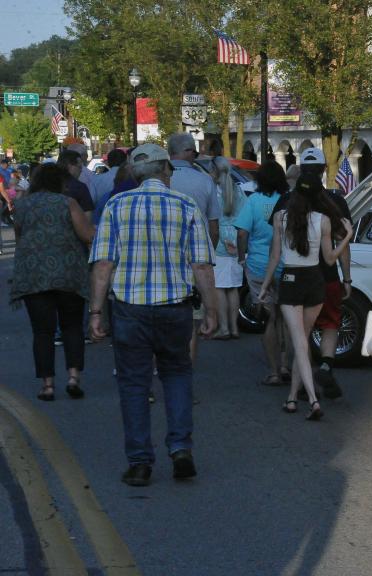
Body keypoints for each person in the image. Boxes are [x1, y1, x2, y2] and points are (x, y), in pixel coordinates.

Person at [88, 143, 217, 487]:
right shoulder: (186, 206)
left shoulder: (116, 206)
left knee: (133, 384)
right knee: (177, 375)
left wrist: (96, 311)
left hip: (130, 310)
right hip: (175, 308)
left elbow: (104, 264)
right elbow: (201, 265)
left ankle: (140, 462)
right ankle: (180, 449)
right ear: (165, 170)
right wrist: (212, 310)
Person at [260, 174, 352, 420]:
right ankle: (292, 397)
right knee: (304, 339)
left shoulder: (281, 218)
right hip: (315, 282)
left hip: (291, 282)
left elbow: (275, 256)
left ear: (295, 193)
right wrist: (348, 237)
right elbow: (330, 258)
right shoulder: (323, 220)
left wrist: (264, 285)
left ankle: (312, 400)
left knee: (300, 342)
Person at [9, 164, 94, 401]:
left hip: (34, 275)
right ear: (59, 182)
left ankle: (47, 385)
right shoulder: (68, 203)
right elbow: (86, 235)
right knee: (72, 326)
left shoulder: (23, 205)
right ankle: (73, 377)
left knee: (42, 331)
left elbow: (20, 236)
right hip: (68, 273)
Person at [167, 133, 221, 366]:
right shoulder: (204, 180)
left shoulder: (160, 179)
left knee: (157, 323)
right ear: (188, 152)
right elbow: (213, 226)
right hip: (192, 259)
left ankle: (153, 377)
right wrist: (209, 254)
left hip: (161, 258)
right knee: (190, 321)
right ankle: (183, 374)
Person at [236, 160, 291, 386]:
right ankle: (287, 364)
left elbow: (242, 234)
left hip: (259, 265)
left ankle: (274, 371)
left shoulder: (253, 202)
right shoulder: (288, 200)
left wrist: (242, 258)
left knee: (269, 317)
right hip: (287, 265)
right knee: (288, 319)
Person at [211, 156, 245, 339]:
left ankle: (224, 328)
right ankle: (234, 327)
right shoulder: (237, 190)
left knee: (219, 288)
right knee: (233, 289)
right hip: (237, 239)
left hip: (220, 242)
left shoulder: (214, 191)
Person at [56, 150, 95, 220]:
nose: (81, 170)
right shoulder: (79, 187)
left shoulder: (46, 184)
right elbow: (87, 218)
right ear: (70, 166)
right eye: (79, 167)